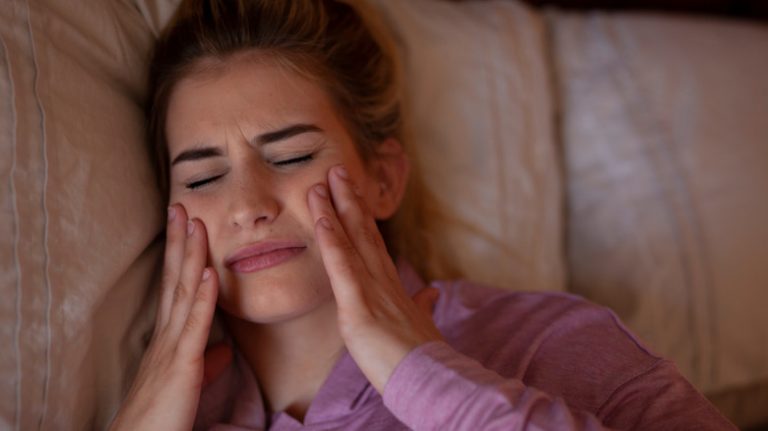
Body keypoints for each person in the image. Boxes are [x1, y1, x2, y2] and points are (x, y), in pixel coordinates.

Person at [109, 0, 736, 430]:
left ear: (382, 179)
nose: (248, 207)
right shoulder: (168, 410)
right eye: (204, 175)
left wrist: (417, 372)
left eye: (292, 155)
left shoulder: (549, 343)